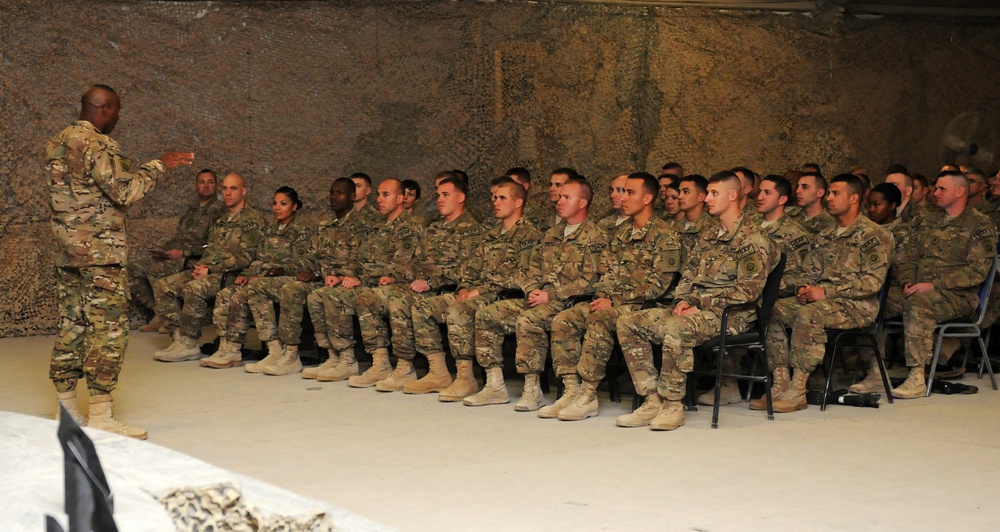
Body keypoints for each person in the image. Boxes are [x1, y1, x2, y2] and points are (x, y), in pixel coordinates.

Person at [46, 84, 194, 439]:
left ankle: (66, 410)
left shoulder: (56, 142)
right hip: (100, 256)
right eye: (117, 112)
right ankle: (100, 414)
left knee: (72, 325)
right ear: (106, 109)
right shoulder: (96, 143)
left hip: (68, 255)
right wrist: (158, 166)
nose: (117, 119)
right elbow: (125, 191)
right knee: (108, 330)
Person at [615, 171, 772, 431]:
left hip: (729, 315)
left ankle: (672, 404)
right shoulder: (708, 236)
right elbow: (687, 276)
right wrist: (681, 300)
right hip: (695, 309)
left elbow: (748, 291)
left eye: (713, 194)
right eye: (708, 193)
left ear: (733, 196)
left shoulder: (752, 239)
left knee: (677, 329)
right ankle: (652, 398)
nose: (707, 199)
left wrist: (701, 304)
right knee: (629, 323)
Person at [543, 173, 681, 421]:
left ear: (648, 198)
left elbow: (659, 285)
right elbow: (606, 273)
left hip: (646, 306)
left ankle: (591, 393)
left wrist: (614, 301)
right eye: (622, 192)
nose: (622, 198)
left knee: (601, 317)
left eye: (630, 193)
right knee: (564, 318)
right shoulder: (621, 233)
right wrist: (604, 294)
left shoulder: (664, 235)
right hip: (615, 303)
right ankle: (571, 389)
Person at [464, 178, 608, 410]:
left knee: (529, 320)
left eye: (566, 197)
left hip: (570, 302)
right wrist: (533, 290)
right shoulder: (551, 234)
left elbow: (591, 281)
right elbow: (530, 270)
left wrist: (552, 296)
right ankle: (495, 385)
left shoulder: (596, 237)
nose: (559, 201)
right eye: (559, 197)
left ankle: (546, 389)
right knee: (488, 315)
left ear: (582, 203)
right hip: (540, 299)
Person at [857, 170, 996, 398]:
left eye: (942, 189)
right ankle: (876, 372)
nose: (935, 193)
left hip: (957, 296)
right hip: (917, 289)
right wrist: (909, 280)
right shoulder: (927, 221)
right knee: (872, 301)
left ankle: (917, 376)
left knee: (919, 304)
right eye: (935, 188)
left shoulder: (979, 225)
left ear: (960, 191)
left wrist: (932, 285)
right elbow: (908, 257)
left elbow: (976, 272)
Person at [760, 174, 891, 413]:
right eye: (828, 193)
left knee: (810, 314)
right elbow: (807, 272)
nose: (829, 198)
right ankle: (781, 381)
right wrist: (803, 289)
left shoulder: (875, 235)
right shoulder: (826, 235)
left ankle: (799, 389)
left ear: (854, 198)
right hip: (824, 301)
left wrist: (825, 292)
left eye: (835, 193)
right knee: (774, 310)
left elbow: (872, 282)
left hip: (856, 306)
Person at [407, 180, 541, 399]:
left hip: (501, 297)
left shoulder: (530, 236)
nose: (495, 202)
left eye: (502, 198)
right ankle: (439, 372)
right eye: (494, 198)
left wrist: (481, 290)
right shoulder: (490, 235)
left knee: (458, 311)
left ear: (518, 202)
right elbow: (471, 268)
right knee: (424, 307)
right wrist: (466, 286)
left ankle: (469, 379)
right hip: (477, 294)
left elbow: (523, 277)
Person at [357, 177, 482, 391]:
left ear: (460, 198)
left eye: (446, 195)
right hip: (423, 287)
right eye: (438, 195)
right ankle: (395, 366)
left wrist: (430, 282)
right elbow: (415, 263)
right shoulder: (433, 229)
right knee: (369, 297)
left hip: (448, 290)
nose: (440, 200)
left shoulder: (471, 230)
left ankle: (438, 372)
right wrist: (396, 277)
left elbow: (468, 270)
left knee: (407, 304)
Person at [306, 178, 420, 385]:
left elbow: (399, 268)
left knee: (351, 297)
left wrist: (360, 279)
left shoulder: (408, 228)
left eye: (386, 195)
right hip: (369, 281)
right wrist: (342, 276)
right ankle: (336, 356)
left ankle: (376, 362)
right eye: (378, 194)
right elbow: (358, 259)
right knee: (317, 295)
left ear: (401, 198)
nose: (380, 199)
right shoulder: (378, 227)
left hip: (390, 285)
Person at [193, 187, 313, 373]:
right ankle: (230, 348)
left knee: (255, 288)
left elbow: (303, 263)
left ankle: (274, 350)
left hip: (283, 279)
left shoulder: (301, 232)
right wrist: (246, 274)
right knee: (228, 294)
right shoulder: (270, 231)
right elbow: (258, 259)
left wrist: (278, 270)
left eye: (283, 203)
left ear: (295, 206)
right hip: (262, 277)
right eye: (274, 203)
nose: (277, 208)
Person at [152, 173, 266, 362]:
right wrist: (201, 266)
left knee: (194, 288)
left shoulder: (252, 221)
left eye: (233, 188)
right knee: (163, 286)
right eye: (225, 188)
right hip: (209, 271)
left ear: (244, 191)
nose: (228, 193)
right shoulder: (221, 221)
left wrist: (210, 270)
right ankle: (180, 337)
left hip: (231, 275)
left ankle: (189, 343)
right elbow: (210, 250)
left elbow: (246, 258)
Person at [261, 178, 364, 380]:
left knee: (321, 295)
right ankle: (292, 354)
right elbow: (309, 258)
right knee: (292, 288)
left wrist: (322, 274)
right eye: (332, 193)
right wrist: (284, 269)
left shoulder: (361, 227)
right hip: (322, 280)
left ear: (352, 197)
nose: (334, 197)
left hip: (343, 282)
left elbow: (358, 262)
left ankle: (343, 358)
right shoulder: (325, 226)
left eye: (340, 193)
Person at [743, 175, 813, 410]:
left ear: (782, 199)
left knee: (771, 311)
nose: (760, 197)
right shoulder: (748, 227)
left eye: (767, 193)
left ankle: (781, 382)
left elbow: (802, 276)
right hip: (748, 294)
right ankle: (728, 382)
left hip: (778, 297)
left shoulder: (795, 234)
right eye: (759, 192)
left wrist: (767, 289)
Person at [131, 169, 224, 333]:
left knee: (155, 271)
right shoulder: (192, 210)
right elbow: (179, 237)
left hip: (195, 260)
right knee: (133, 269)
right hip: (178, 256)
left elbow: (213, 244)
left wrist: (184, 252)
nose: (206, 185)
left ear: (216, 186)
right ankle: (159, 311)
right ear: (196, 185)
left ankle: (170, 318)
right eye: (202, 182)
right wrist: (164, 250)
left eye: (210, 182)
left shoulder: (219, 212)